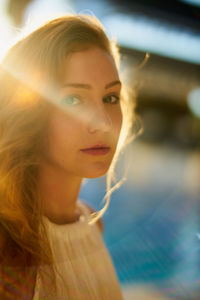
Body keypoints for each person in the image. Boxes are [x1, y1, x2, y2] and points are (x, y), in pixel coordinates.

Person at [0, 14, 135, 299]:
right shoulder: (9, 249)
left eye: (110, 98)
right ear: (28, 110)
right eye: (73, 99)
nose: (103, 123)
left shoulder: (92, 226)